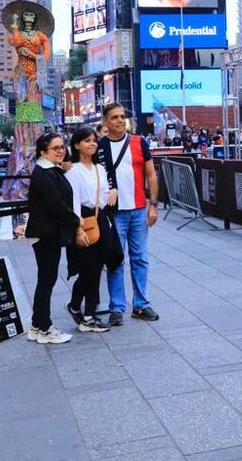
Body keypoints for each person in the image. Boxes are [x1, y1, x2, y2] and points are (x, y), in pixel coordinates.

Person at [97, 103, 160, 324]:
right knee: (115, 260)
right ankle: (117, 307)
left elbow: (151, 175)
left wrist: (153, 205)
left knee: (140, 258)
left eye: (123, 116)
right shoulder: (98, 146)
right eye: (114, 117)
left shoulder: (139, 142)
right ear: (105, 121)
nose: (120, 120)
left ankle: (141, 305)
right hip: (113, 214)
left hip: (139, 210)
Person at [25, 133, 79, 344]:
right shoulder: (44, 174)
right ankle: (45, 327)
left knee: (46, 279)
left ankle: (38, 325)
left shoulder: (49, 171)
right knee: (46, 279)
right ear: (43, 152)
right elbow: (56, 205)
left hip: (49, 233)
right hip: (46, 233)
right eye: (55, 148)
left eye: (62, 147)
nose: (61, 151)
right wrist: (76, 221)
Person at [64, 127, 119, 333]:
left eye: (94, 140)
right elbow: (74, 201)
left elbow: (104, 196)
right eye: (87, 141)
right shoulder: (72, 170)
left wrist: (112, 192)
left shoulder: (99, 169)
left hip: (100, 220)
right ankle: (86, 313)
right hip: (83, 221)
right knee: (87, 269)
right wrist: (78, 229)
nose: (93, 144)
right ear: (77, 145)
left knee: (96, 268)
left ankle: (81, 309)